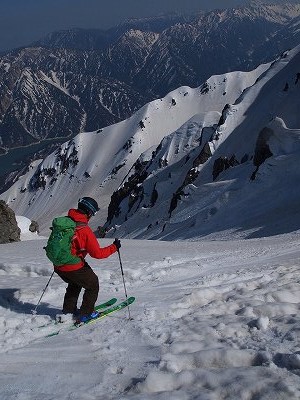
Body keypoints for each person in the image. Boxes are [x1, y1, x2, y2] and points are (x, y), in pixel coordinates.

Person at [54, 196, 121, 323]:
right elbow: (98, 253)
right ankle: (86, 314)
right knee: (92, 284)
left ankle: (68, 311)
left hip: (58, 265)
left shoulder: (65, 222)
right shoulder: (84, 230)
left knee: (75, 282)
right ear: (89, 213)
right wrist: (114, 247)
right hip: (71, 266)